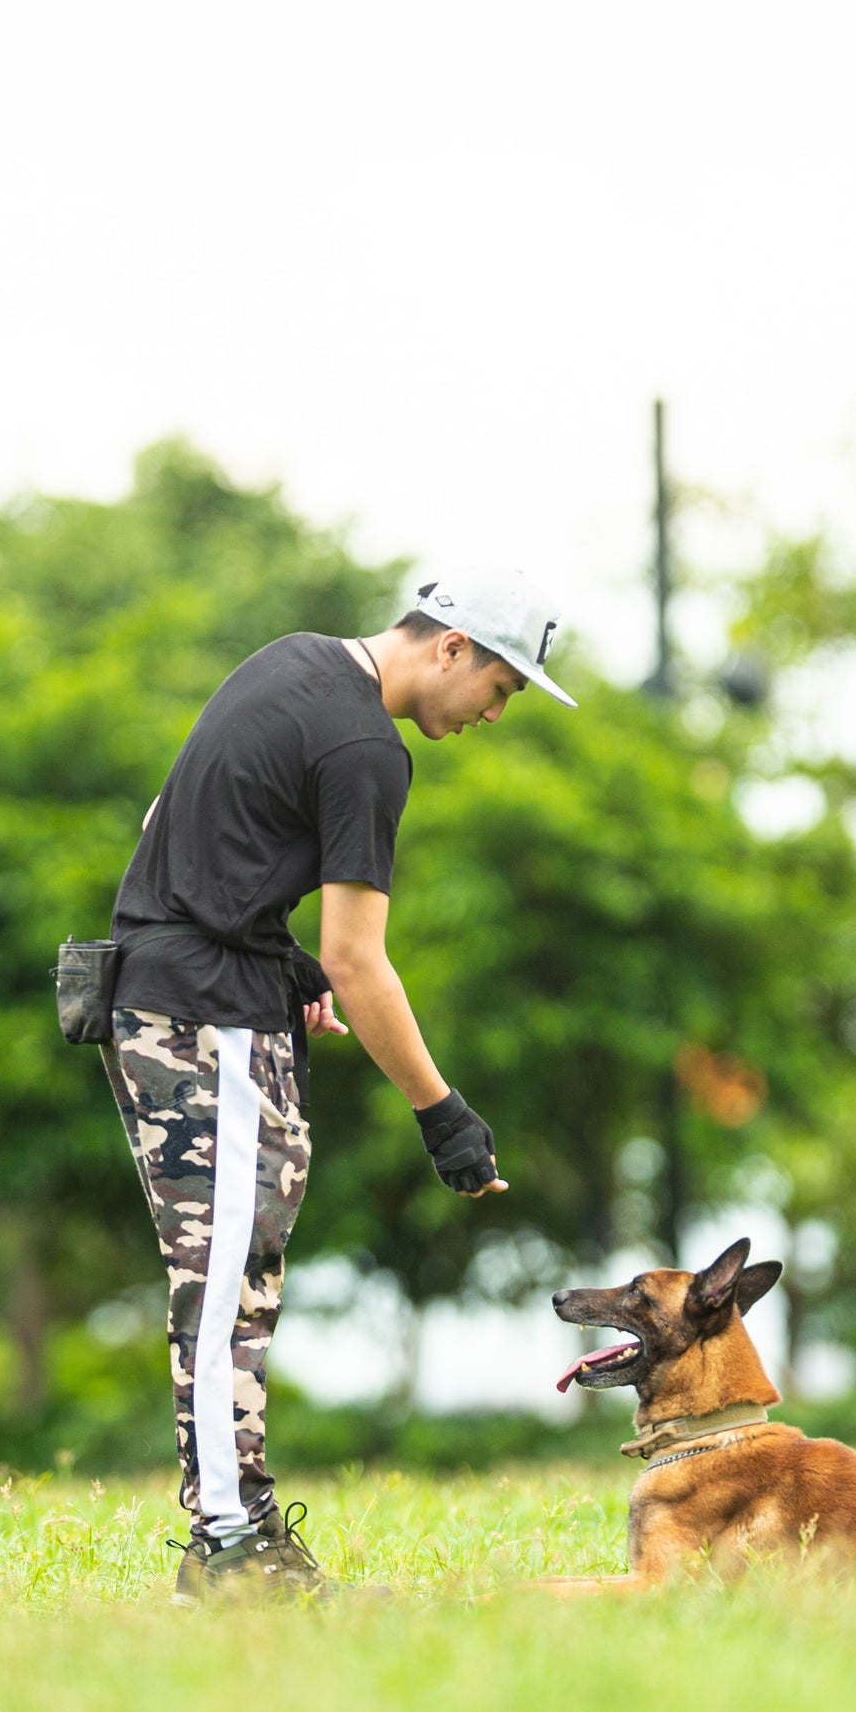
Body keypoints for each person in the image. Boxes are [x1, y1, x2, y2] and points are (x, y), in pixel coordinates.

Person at [101, 566, 576, 1602]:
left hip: (187, 993)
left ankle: (246, 1525)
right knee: (224, 1285)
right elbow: (360, 962)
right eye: (499, 687)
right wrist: (442, 1114)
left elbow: (170, 816)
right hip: (204, 1019)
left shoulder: (287, 661)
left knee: (239, 1278)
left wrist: (277, 958)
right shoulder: (367, 747)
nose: (493, 714)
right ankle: (227, 1547)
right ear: (449, 645)